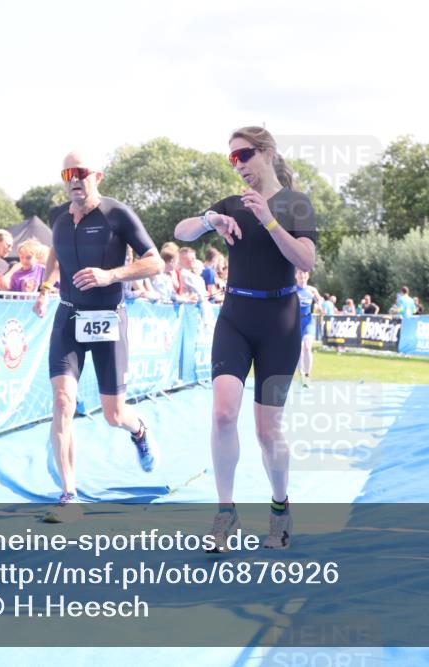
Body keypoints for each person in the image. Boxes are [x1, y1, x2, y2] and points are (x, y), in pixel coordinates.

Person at [174, 125, 317, 550]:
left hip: (280, 323)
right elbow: (182, 232)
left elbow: (305, 257)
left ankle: (279, 508)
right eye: (231, 158)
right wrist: (209, 220)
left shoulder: (296, 203)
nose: (237, 165)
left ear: (267, 152)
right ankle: (225, 512)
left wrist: (269, 220)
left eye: (244, 156)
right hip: (235, 315)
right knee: (222, 413)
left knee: (267, 431)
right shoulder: (231, 205)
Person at [32, 151, 165, 511]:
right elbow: (54, 255)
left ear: (98, 176)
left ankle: (138, 430)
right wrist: (46, 288)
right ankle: (69, 494)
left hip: (108, 319)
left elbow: (155, 261)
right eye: (67, 173)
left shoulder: (116, 213)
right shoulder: (58, 215)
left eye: (81, 172)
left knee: (113, 414)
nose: (74, 179)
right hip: (69, 317)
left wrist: (112, 275)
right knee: (62, 402)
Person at [295, 269, 320, 389]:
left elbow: (320, 301)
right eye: (300, 273)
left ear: (308, 276)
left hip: (308, 321)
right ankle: (301, 377)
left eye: (304, 274)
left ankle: (307, 375)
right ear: (296, 275)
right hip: (295, 322)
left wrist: (319, 306)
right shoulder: (293, 289)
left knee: (307, 347)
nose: (302, 276)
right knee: (298, 349)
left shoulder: (312, 290)